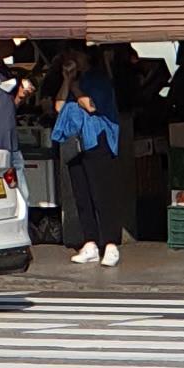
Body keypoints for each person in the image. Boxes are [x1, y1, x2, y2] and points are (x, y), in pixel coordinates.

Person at [51, 60, 126, 267]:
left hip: (97, 140)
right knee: (81, 194)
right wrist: (67, 81)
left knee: (102, 194)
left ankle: (110, 243)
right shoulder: (72, 81)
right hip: (75, 142)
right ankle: (90, 242)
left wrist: (75, 87)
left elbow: (91, 106)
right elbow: (59, 106)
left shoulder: (98, 80)